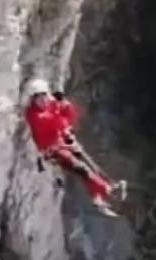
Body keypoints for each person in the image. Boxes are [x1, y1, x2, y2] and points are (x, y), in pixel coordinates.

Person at [23, 79, 124, 217]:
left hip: (63, 143)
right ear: (32, 100)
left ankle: (98, 198)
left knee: (90, 166)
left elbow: (69, 116)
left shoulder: (50, 105)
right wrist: (60, 107)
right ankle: (108, 190)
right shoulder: (34, 115)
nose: (42, 100)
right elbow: (52, 121)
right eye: (38, 98)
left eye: (44, 96)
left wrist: (66, 108)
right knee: (82, 169)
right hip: (53, 150)